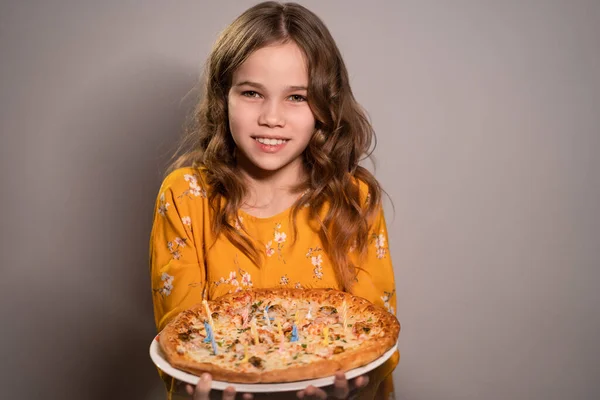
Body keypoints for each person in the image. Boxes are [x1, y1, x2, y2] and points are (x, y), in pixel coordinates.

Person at [149, 2, 398, 399]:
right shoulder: (186, 196)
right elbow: (183, 334)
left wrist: (350, 389)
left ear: (325, 104)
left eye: (296, 97)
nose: (271, 117)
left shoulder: (352, 200)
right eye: (252, 93)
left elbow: (375, 338)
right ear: (222, 97)